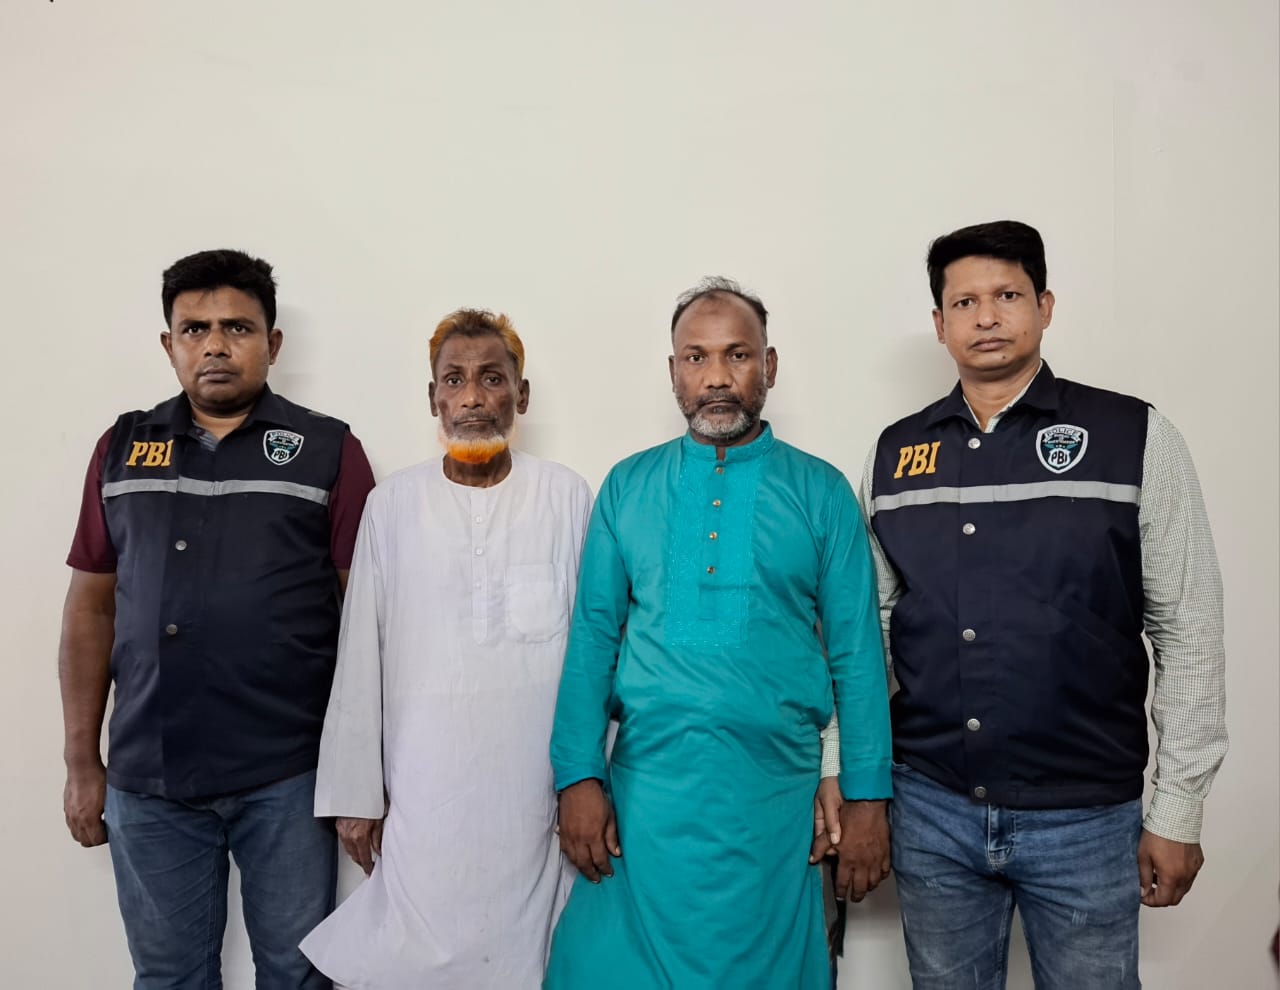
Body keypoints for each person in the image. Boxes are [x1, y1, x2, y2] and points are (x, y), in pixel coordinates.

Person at [861, 220, 1227, 988]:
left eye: (1007, 295)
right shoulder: (896, 454)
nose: (986, 317)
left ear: (1045, 306)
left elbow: (1188, 626)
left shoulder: (1132, 435)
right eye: (964, 302)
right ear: (939, 324)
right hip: (932, 812)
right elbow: (876, 630)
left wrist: (1178, 810)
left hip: (1086, 821)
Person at [545, 277, 893, 989]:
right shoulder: (628, 486)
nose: (716, 378)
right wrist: (577, 776)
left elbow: (857, 654)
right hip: (646, 797)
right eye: (696, 358)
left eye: (737, 355)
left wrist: (866, 796)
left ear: (770, 366)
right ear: (673, 372)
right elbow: (591, 640)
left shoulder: (821, 492)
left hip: (775, 801)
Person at [58, 249, 375, 989]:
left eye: (238, 327)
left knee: (297, 975)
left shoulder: (327, 450)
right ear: (168, 345)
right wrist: (81, 763)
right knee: (169, 977)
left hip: (288, 773)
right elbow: (90, 610)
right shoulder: (122, 449)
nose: (216, 345)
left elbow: (369, 620)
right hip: (149, 773)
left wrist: (365, 772)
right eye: (194, 329)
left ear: (273, 342)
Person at [299, 309, 592, 988]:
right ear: (433, 398)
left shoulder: (567, 496)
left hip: (535, 793)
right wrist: (355, 794)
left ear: (521, 396)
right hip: (423, 790)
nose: (472, 397)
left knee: (537, 956)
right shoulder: (393, 505)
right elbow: (360, 653)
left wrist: (592, 784)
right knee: (413, 951)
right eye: (453, 380)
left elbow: (593, 653)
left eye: (492, 378)